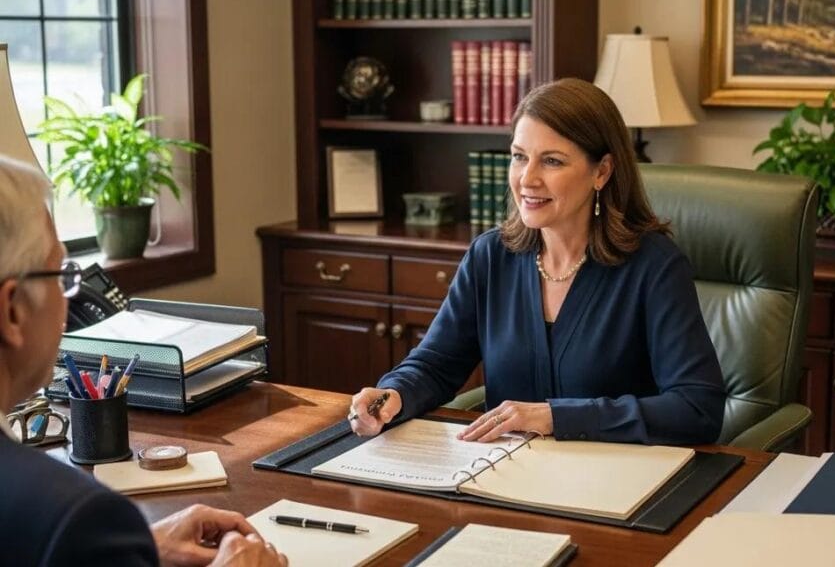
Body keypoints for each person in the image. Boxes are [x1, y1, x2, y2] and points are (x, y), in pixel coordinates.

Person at [350, 78, 726, 445]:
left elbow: (697, 408)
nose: (527, 179)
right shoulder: (491, 257)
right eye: (519, 157)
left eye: (551, 161)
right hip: (505, 478)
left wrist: (554, 417)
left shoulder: (654, 267)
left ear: (602, 171)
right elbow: (435, 364)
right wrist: (394, 395)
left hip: (615, 485)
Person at [0, 154, 287, 567]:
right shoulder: (77, 518)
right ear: (12, 311)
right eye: (60, 275)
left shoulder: (80, 532)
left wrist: (132, 550)